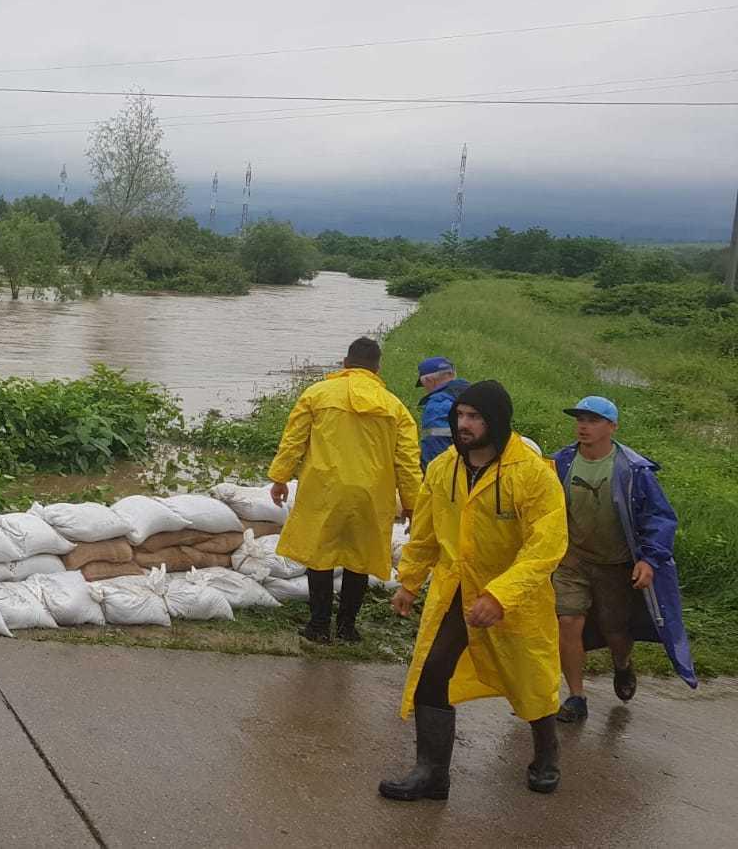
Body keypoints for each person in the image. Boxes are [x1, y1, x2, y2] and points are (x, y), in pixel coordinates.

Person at [380, 380, 568, 800]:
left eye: (474, 417)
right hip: (457, 591)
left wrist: (501, 595)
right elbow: (426, 533)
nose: (463, 425)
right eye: (460, 415)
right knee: (432, 674)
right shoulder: (443, 468)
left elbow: (546, 546)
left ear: (496, 422)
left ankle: (546, 755)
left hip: (516, 597)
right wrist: (410, 582)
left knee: (531, 681)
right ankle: (432, 774)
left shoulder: (532, 475)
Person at [551, 396, 696, 723]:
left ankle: (622, 665)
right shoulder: (560, 463)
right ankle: (576, 697)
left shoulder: (633, 470)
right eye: (580, 420)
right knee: (567, 622)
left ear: (612, 426)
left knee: (616, 630)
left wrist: (649, 560)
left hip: (615, 565)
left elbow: (659, 518)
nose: (583, 426)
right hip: (571, 561)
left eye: (593, 420)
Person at [268, 337, 421, 644]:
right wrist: (413, 504)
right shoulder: (395, 407)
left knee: (319, 557)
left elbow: (293, 441)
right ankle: (347, 628)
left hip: (324, 490)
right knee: (359, 560)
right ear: (378, 368)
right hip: (372, 495)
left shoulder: (317, 394)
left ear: (345, 362)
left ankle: (318, 626)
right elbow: (407, 461)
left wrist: (280, 477)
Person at [416, 356, 470, 470]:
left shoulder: (437, 406)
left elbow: (435, 447)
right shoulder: (472, 394)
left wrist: (427, 475)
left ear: (429, 380)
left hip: (448, 475)